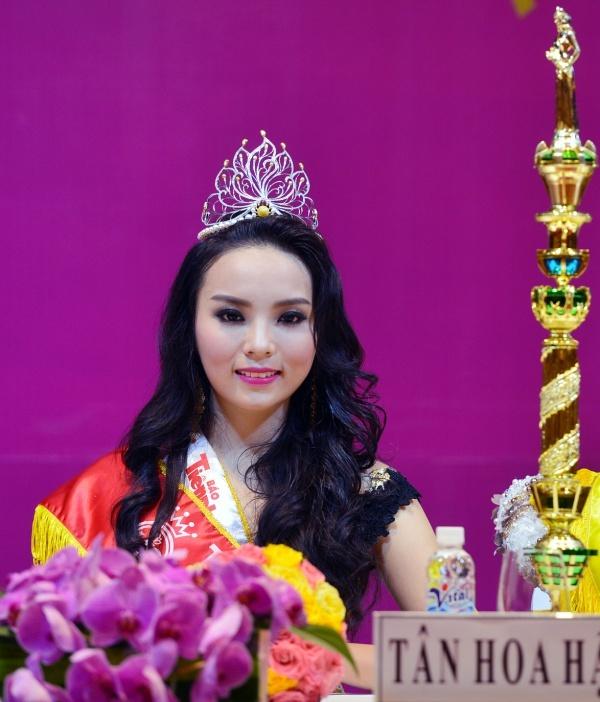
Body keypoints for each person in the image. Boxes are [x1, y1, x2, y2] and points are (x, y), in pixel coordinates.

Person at [32, 131, 437, 688]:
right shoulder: (113, 494)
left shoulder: (365, 491)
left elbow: (465, 663)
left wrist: (308, 656)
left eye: (290, 318)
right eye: (231, 316)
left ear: (321, 332)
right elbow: (67, 670)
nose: (260, 344)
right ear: (190, 327)